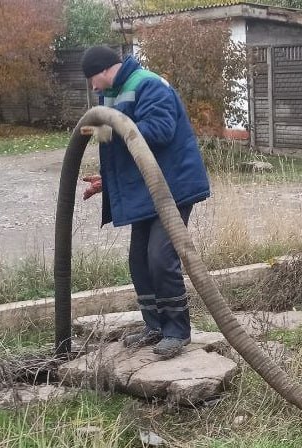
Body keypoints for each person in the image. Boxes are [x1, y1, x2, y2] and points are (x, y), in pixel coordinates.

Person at [79, 45, 210, 359]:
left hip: (172, 187)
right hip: (145, 190)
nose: (91, 86)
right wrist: (106, 182)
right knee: (139, 261)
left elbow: (161, 132)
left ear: (102, 70)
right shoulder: (109, 95)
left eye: (90, 78)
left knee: (160, 259)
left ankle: (177, 331)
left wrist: (117, 125)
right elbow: (113, 149)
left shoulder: (148, 84)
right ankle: (154, 326)